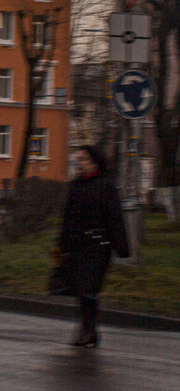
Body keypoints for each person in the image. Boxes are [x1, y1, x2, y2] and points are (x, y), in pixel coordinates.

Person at [57, 145, 129, 347]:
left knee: (89, 287)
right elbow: (67, 219)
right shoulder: (75, 186)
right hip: (78, 246)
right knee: (81, 288)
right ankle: (89, 329)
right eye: (77, 160)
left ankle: (87, 329)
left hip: (98, 246)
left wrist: (121, 248)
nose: (78, 164)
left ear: (94, 163)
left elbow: (115, 218)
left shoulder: (105, 186)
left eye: (82, 160)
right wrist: (62, 246)